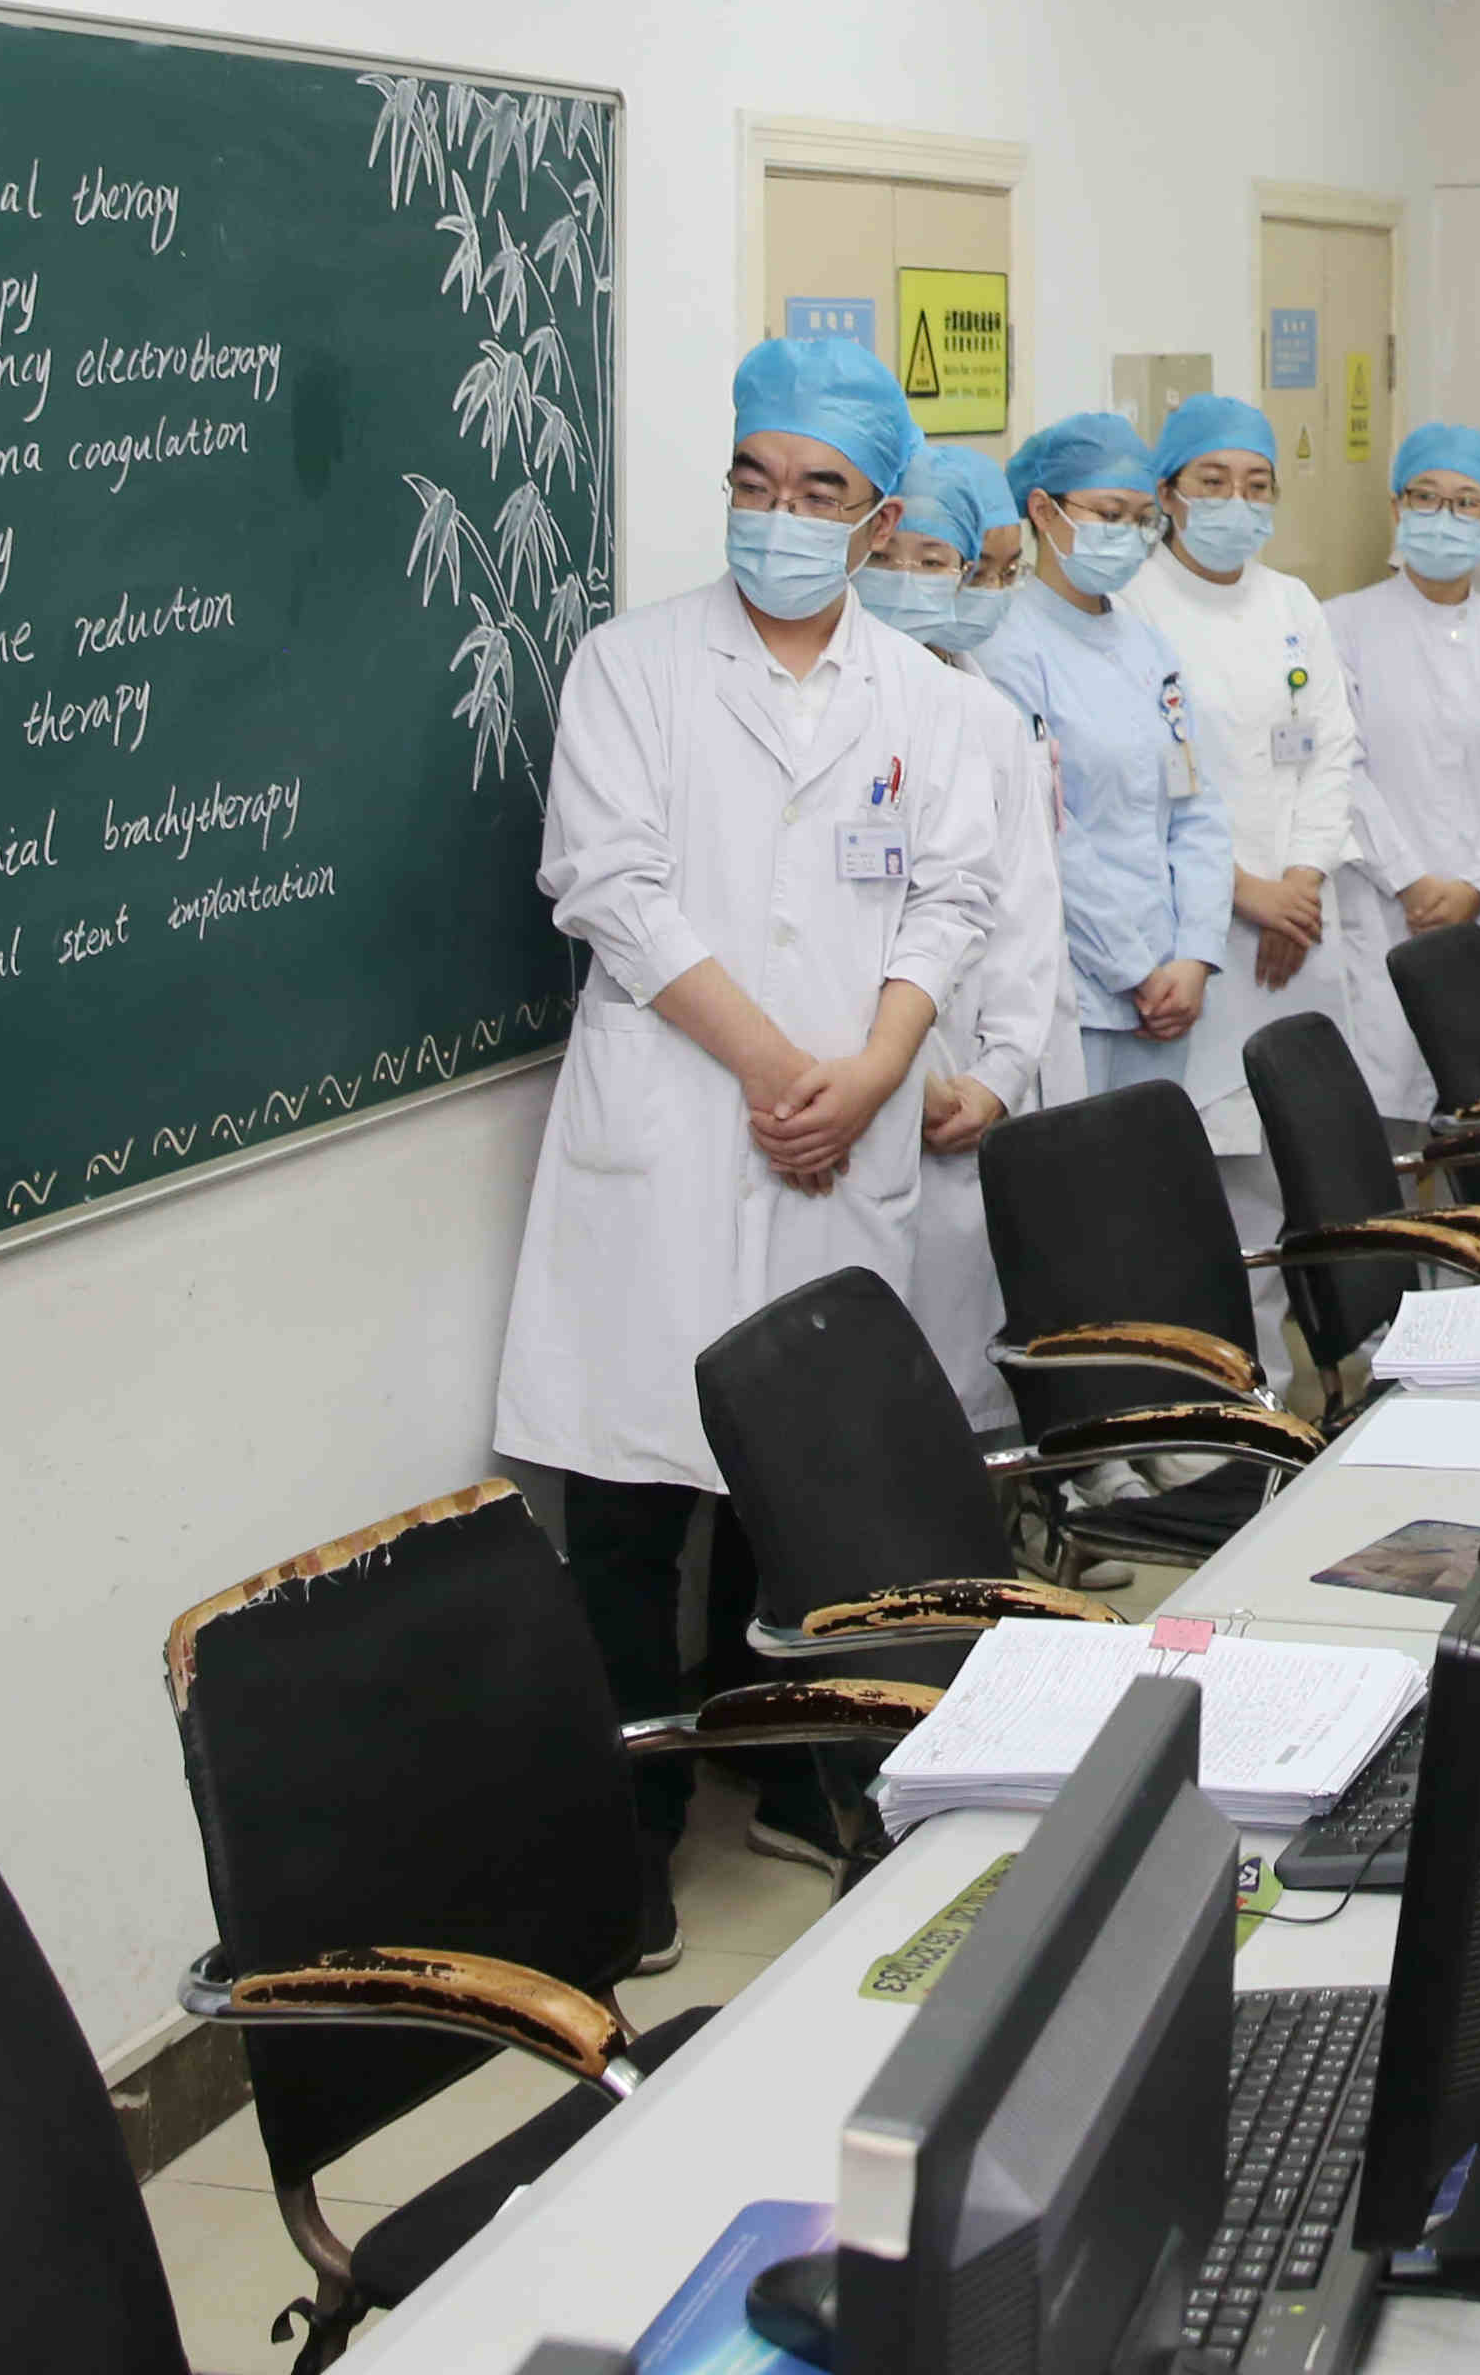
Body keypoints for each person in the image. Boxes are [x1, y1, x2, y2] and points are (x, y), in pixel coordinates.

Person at [495, 337, 1009, 1921]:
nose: (780, 513)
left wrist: (873, 1072)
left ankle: (787, 1772)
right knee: (633, 1503)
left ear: (880, 517)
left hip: (840, 1123)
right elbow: (610, 886)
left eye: (819, 491)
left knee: (795, 1480)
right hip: (677, 1119)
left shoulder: (927, 700)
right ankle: (629, 1840)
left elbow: (953, 899)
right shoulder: (632, 666)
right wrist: (788, 1069)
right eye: (755, 480)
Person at [858, 439, 1058, 1436]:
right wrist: (896, 1069)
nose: (907, 580)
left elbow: (1022, 914)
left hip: (959, 1088)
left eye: (934, 562)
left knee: (952, 1364)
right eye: (889, 557)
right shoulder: (824, 697)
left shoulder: (987, 718)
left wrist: (996, 1072)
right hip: (842, 1083)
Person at [1136, 390, 1365, 1236]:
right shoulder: (1132, 606)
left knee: (1307, 1159)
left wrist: (1298, 884)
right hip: (1197, 931)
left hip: (1300, 918)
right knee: (1215, 1178)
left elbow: (1332, 749)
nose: (1236, 501)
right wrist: (1247, 894)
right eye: (1213, 480)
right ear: (1168, 492)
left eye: (1256, 484)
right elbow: (1140, 791)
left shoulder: (1293, 603)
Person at [978, 413, 1231, 1134]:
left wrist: (1194, 955)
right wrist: (1133, 970)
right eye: (1109, 515)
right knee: (1079, 1179)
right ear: (1042, 510)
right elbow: (1047, 832)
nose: (1127, 535)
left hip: (1169, 987)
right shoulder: (1006, 646)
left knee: (1154, 1179)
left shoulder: (1147, 647)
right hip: (1078, 987)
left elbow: (1196, 806)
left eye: (1142, 519)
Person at [1322, 423, 1480, 1121]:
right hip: (1382, 911)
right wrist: (1408, 879)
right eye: (1426, 497)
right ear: (1397, 507)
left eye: (1467, 503)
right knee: (1390, 1115)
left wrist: (1473, 885)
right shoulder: (1339, 626)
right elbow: (1340, 768)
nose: (1444, 517)